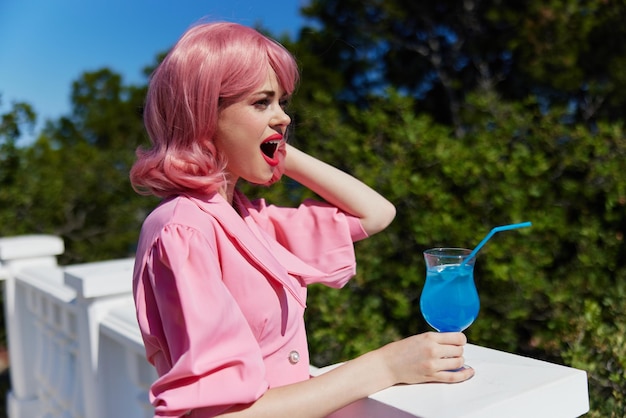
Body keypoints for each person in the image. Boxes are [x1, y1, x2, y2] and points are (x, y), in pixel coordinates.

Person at [129, 21, 474, 418]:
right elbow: (218, 414)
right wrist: (384, 365)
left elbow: (377, 213)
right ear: (204, 114)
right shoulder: (182, 230)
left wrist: (276, 147)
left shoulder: (248, 218)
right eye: (262, 102)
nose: (284, 118)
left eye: (282, 103)